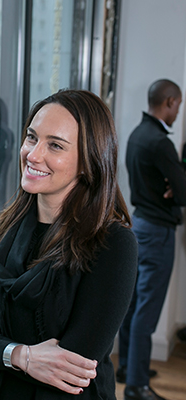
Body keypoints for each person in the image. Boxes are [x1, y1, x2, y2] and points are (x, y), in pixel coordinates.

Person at [0, 89, 138, 399]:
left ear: (89, 161)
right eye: (32, 138)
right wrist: (23, 356)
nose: (33, 155)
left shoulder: (113, 243)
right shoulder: (1, 228)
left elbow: (72, 370)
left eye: (55, 145)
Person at [119, 79, 185, 400]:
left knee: (133, 303)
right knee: (147, 308)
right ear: (169, 101)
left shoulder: (136, 134)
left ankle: (129, 368)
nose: (177, 113)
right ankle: (137, 385)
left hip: (139, 225)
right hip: (158, 232)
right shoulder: (160, 142)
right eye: (178, 106)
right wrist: (175, 188)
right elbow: (183, 191)